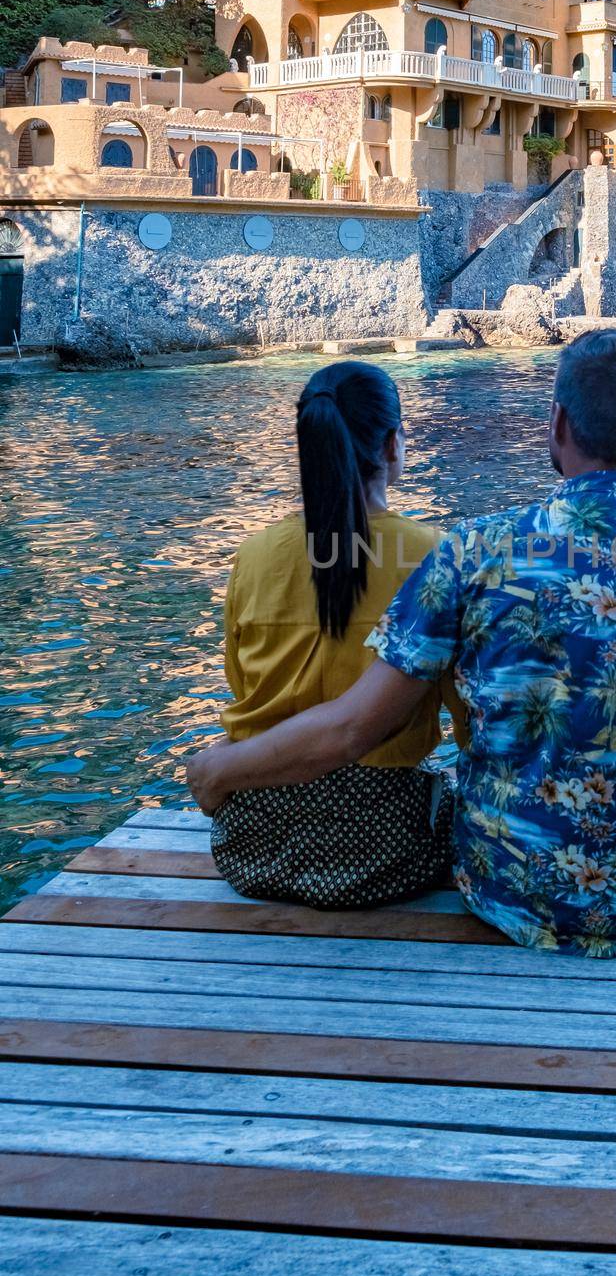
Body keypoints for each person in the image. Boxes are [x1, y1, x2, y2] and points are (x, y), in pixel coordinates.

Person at [187, 329, 616, 957]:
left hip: (504, 889)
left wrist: (218, 770)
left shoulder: (469, 553)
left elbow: (355, 725)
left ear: (558, 421)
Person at [207, 359, 466, 909]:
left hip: (254, 839)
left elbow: (241, 687)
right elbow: (465, 711)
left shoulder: (252, 558)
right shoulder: (434, 556)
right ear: (393, 445)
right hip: (387, 848)